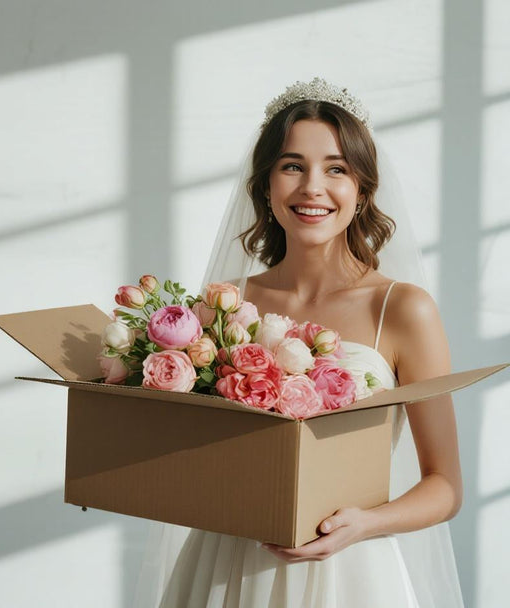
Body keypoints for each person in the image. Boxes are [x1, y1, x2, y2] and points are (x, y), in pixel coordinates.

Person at [134, 78, 465, 607]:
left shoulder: (402, 310)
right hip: (226, 561)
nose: (313, 187)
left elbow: (445, 485)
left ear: (362, 191)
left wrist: (363, 524)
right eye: (292, 166)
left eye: (336, 168)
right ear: (266, 186)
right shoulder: (222, 305)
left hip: (350, 570)